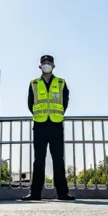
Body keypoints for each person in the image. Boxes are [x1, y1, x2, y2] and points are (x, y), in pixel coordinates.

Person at [22, 55, 75, 201]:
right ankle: (35, 194)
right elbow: (30, 103)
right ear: (40, 65)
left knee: (58, 159)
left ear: (53, 65)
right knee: (39, 160)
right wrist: (40, 115)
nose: (46, 64)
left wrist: (56, 114)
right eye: (44, 62)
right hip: (40, 125)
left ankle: (63, 194)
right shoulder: (34, 83)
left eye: (49, 62)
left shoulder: (61, 82)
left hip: (56, 125)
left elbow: (65, 101)